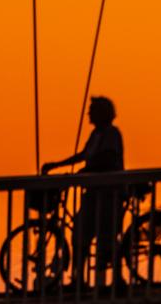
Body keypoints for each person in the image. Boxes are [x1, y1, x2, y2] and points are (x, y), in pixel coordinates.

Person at [42, 96, 125, 285]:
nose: (89, 113)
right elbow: (83, 155)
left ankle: (116, 279)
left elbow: (108, 158)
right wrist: (57, 165)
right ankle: (78, 278)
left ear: (102, 113)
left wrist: (87, 170)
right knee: (80, 234)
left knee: (107, 237)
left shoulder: (112, 134)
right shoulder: (96, 134)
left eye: (92, 110)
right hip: (93, 192)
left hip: (109, 193)